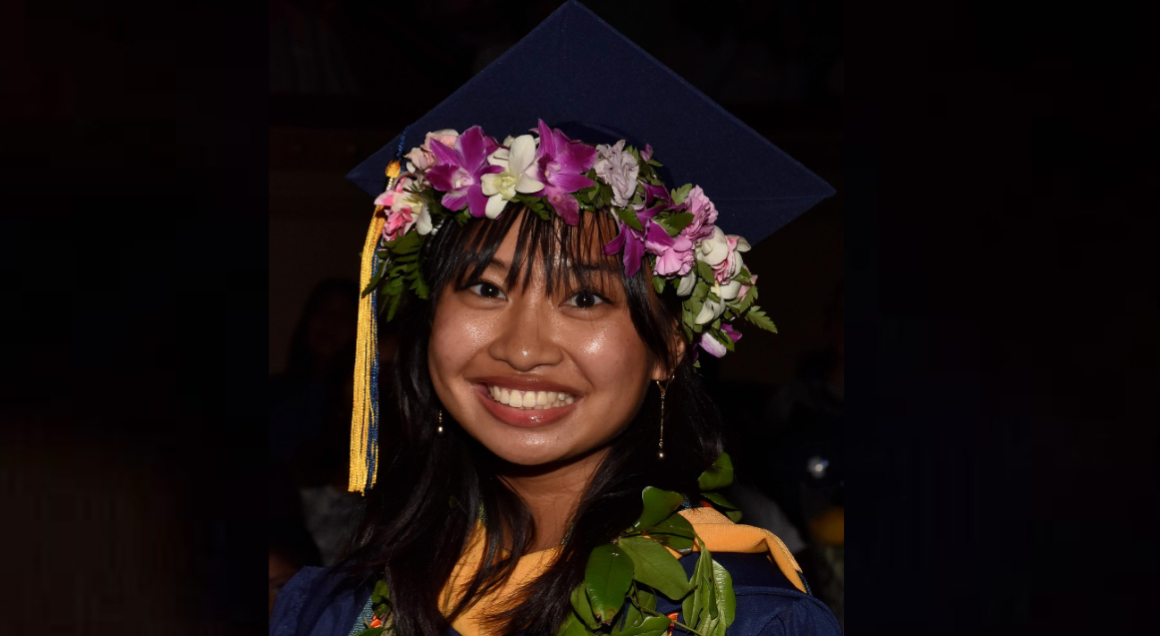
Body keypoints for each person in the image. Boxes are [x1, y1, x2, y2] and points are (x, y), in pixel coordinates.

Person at [270, 3, 838, 635]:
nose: (522, 348)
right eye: (486, 288)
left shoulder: (744, 619)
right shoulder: (333, 613)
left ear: (669, 348)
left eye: (586, 299)